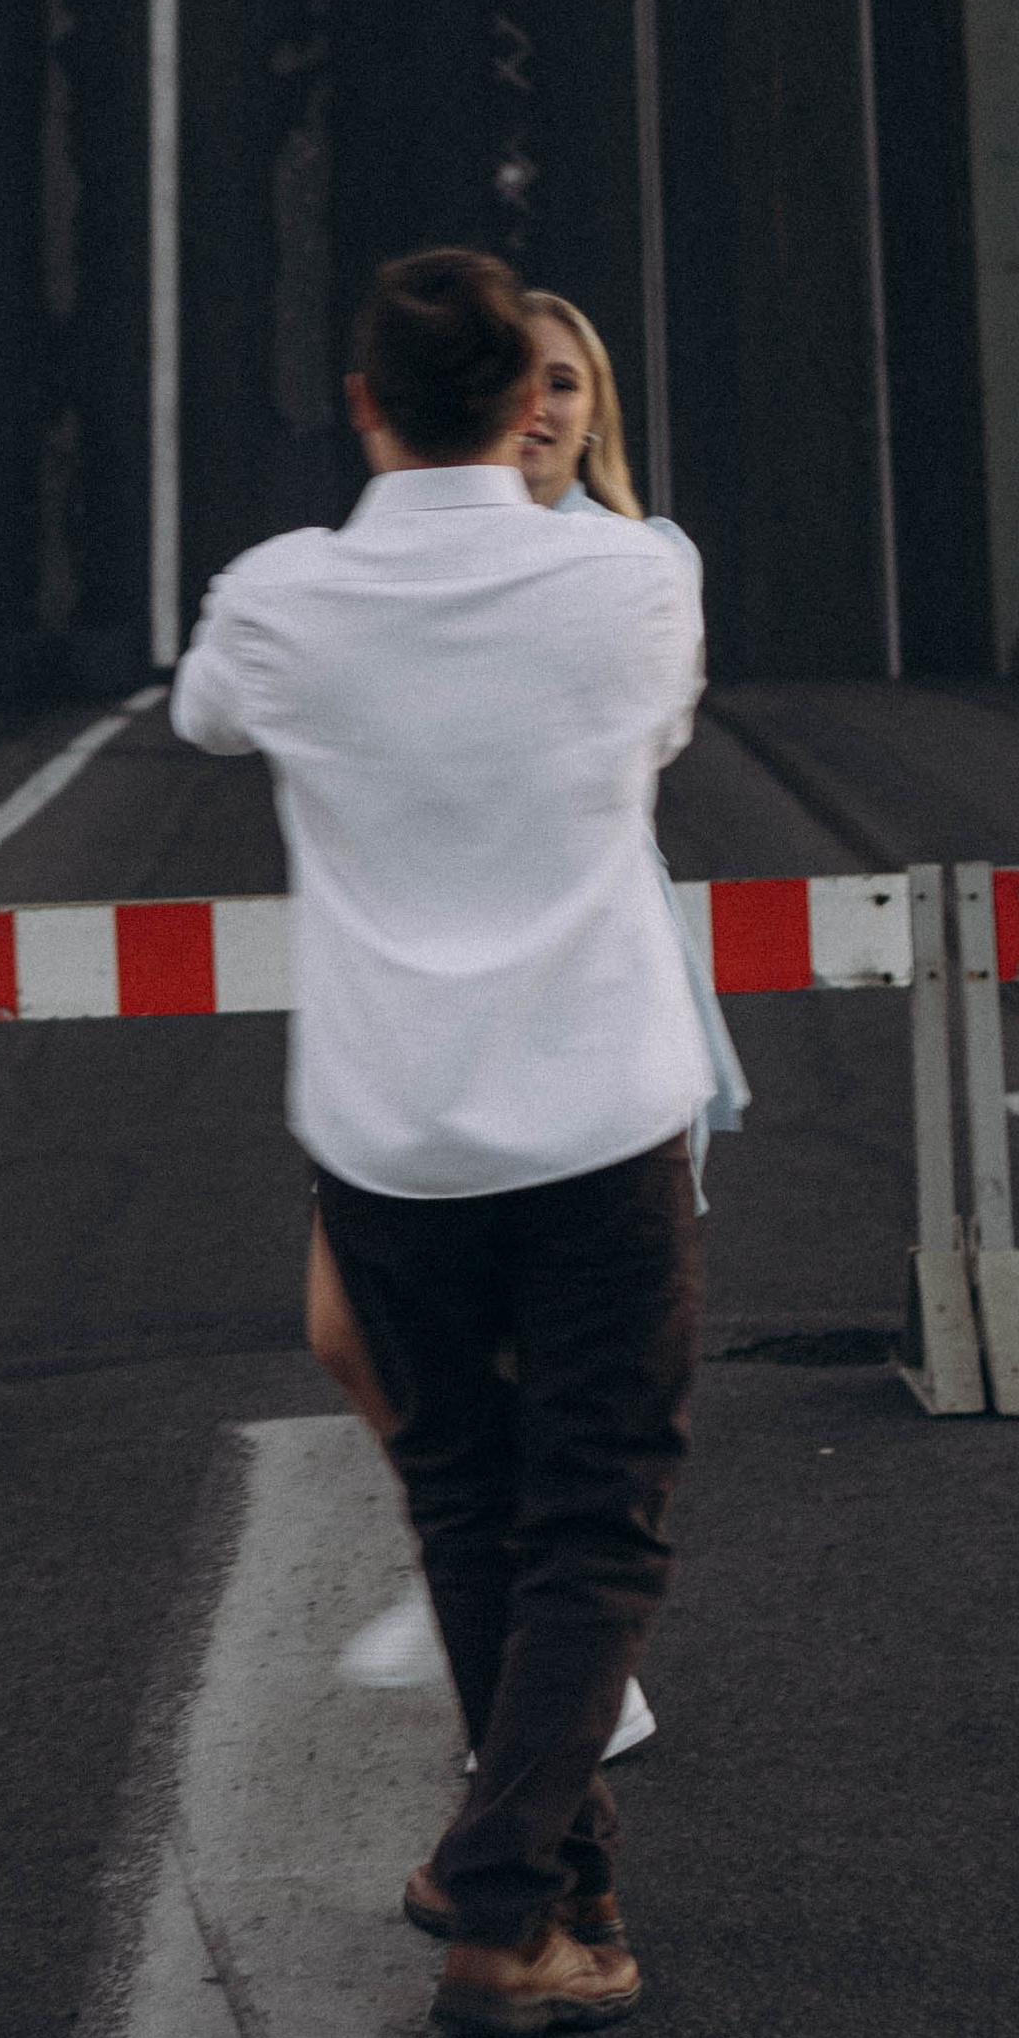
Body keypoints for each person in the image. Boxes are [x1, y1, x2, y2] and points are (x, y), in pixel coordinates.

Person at [174, 247, 714, 2038]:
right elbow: (653, 741)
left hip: (393, 1138)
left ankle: (554, 1876)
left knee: (468, 1500)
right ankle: (505, 1907)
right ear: (519, 402)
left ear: (364, 405)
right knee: (595, 1520)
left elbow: (202, 715)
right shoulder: (638, 585)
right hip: (596, 1116)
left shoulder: (276, 597)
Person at [310, 290, 748, 1757]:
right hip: (422, 1027)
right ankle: (517, 1603)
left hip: (582, 1011)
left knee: (568, 1385)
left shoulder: (632, 567)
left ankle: (560, 1662)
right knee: (345, 1332)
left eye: (573, 384)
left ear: (593, 410)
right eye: (526, 382)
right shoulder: (410, 568)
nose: (547, 407)